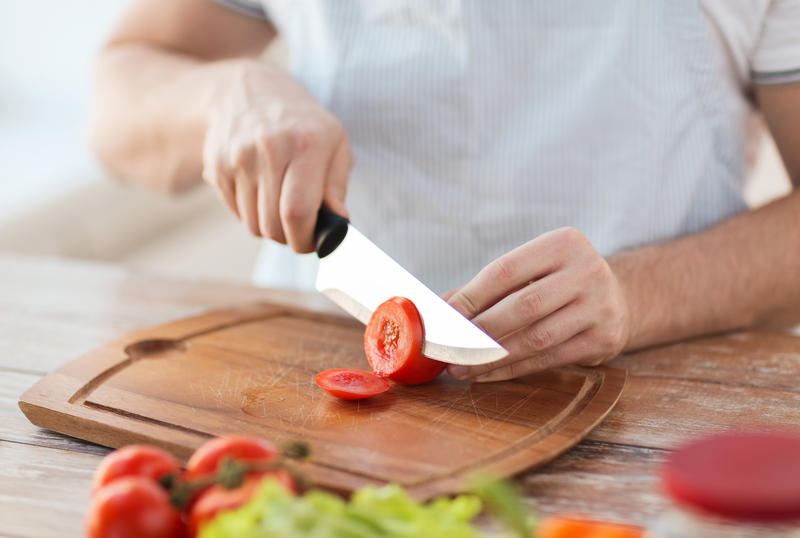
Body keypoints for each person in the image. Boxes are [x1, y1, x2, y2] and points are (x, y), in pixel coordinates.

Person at [89, 0, 800, 383]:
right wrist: (222, 96)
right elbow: (115, 104)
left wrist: (642, 294)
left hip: (647, 392)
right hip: (312, 371)